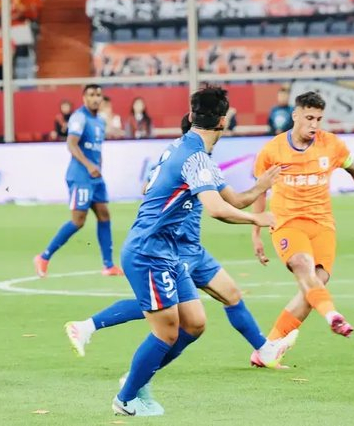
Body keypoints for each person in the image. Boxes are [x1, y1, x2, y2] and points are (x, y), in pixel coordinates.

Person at [65, 114, 297, 370]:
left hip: (194, 249)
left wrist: (260, 187)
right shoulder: (185, 158)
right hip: (175, 248)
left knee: (230, 294)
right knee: (161, 306)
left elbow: (235, 200)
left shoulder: (203, 162)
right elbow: (156, 190)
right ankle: (87, 327)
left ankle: (264, 350)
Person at [110, 87, 289, 417]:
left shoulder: (186, 149)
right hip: (148, 252)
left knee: (194, 324)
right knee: (166, 331)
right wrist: (258, 218)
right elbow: (217, 209)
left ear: (192, 115)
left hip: (168, 252)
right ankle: (127, 397)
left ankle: (137, 379)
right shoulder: (195, 159)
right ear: (223, 121)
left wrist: (260, 187)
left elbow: (233, 199)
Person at [250, 91, 354, 366]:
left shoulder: (331, 145)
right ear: (295, 115)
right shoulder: (272, 151)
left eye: (318, 119)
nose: (314, 124)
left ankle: (266, 349)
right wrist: (256, 232)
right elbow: (260, 191)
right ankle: (333, 315)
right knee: (303, 267)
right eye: (309, 118)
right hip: (287, 224)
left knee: (313, 287)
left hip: (322, 226)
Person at [34, 85, 123, 277]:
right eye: (91, 95)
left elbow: (97, 149)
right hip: (81, 176)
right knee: (78, 221)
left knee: (104, 214)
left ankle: (108, 265)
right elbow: (71, 144)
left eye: (98, 95)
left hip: (95, 177)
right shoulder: (79, 117)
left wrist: (98, 168)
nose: (95, 98)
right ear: (84, 98)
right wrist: (89, 166)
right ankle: (44, 257)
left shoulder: (100, 121)